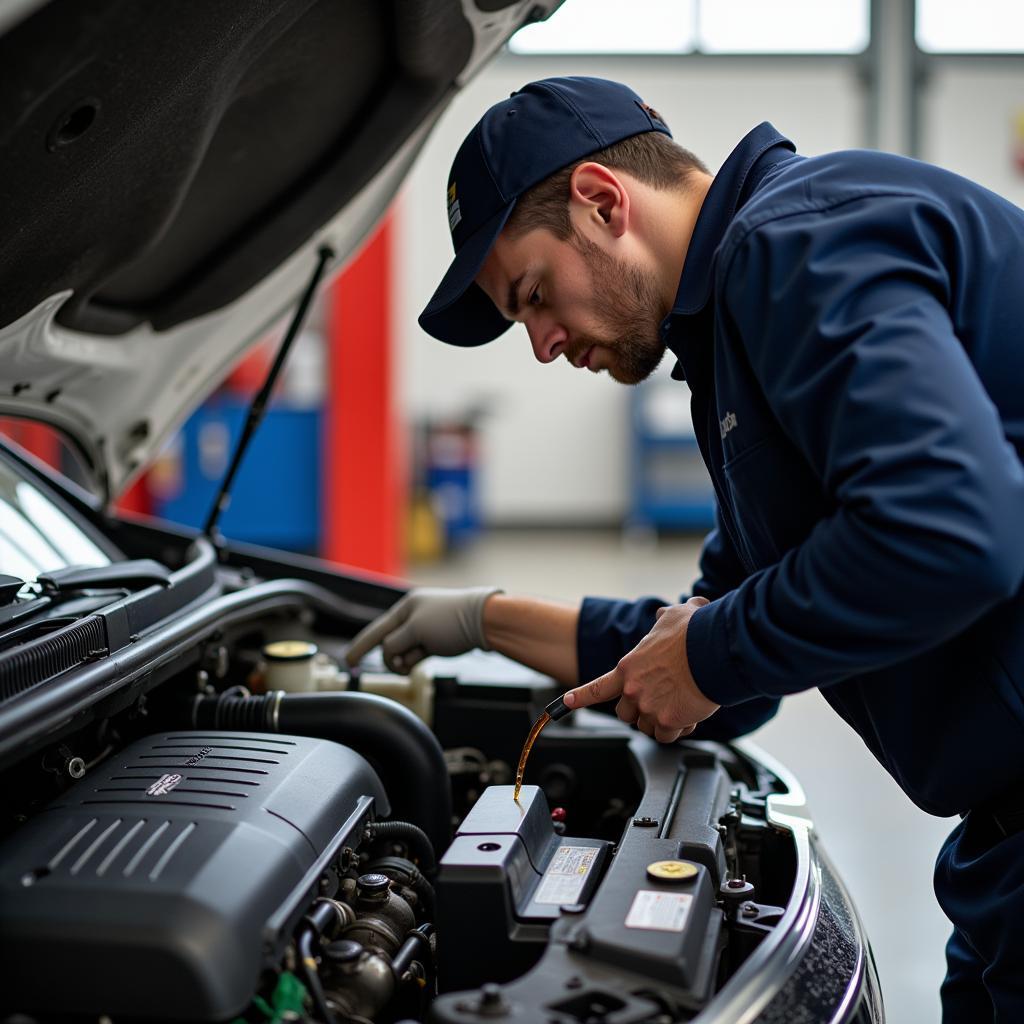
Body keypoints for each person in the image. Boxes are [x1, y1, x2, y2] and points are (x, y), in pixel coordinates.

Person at [345, 77, 1024, 1021]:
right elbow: (714, 650)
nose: (539, 344)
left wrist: (708, 655)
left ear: (602, 199)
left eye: (534, 294)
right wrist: (481, 619)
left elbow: (953, 529)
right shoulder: (733, 344)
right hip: (1000, 850)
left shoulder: (799, 247)